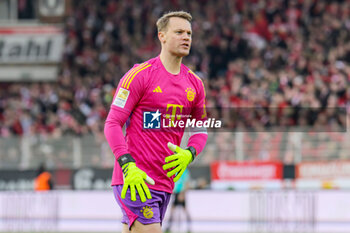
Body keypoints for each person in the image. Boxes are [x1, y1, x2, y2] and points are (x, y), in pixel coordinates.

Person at [104, 11, 208, 233]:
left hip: (164, 183)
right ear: (162, 36)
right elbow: (112, 123)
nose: (186, 37)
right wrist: (127, 165)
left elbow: (201, 129)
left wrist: (189, 153)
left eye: (189, 33)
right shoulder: (140, 75)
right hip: (136, 180)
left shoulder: (195, 84)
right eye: (179, 32)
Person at [165, 169, 192, 233]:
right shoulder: (175, 169)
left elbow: (187, 182)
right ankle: (169, 227)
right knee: (172, 210)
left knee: (183, 210)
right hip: (176, 192)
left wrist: (183, 193)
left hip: (180, 192)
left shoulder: (184, 170)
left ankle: (189, 227)